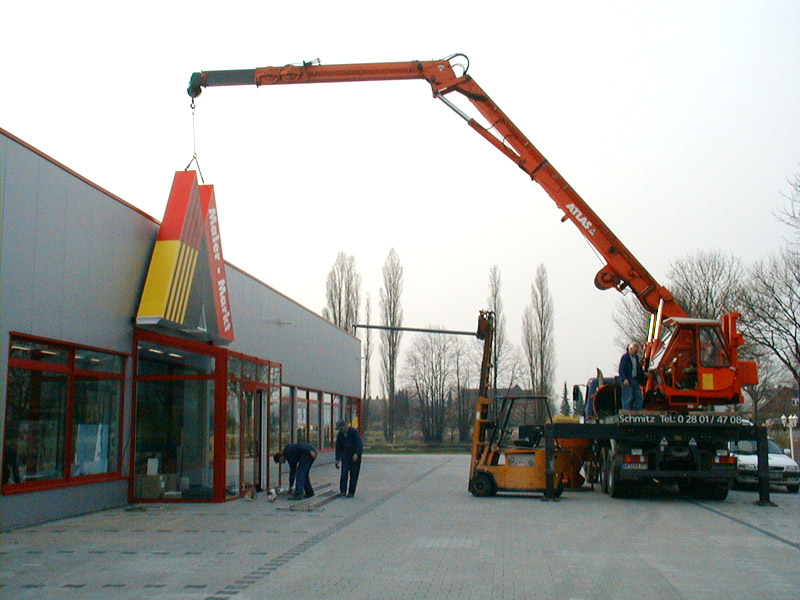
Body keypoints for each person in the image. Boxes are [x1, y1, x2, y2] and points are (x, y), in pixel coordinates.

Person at [335, 419, 363, 498]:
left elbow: (359, 445)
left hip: (355, 457)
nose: (341, 430)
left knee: (353, 475)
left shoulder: (354, 432)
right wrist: (337, 459)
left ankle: (351, 492)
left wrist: (357, 454)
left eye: (341, 428)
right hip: (345, 457)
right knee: (344, 474)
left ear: (345, 426)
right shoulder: (340, 435)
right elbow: (338, 448)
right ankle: (343, 491)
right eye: (339, 429)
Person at [618, 342, 644, 411]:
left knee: (638, 397)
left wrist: (643, 374)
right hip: (628, 380)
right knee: (627, 397)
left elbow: (638, 368)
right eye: (635, 351)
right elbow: (621, 369)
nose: (636, 352)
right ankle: (625, 413)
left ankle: (638, 413)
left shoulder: (636, 357)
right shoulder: (625, 357)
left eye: (637, 351)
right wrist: (624, 379)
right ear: (631, 349)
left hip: (635, 380)